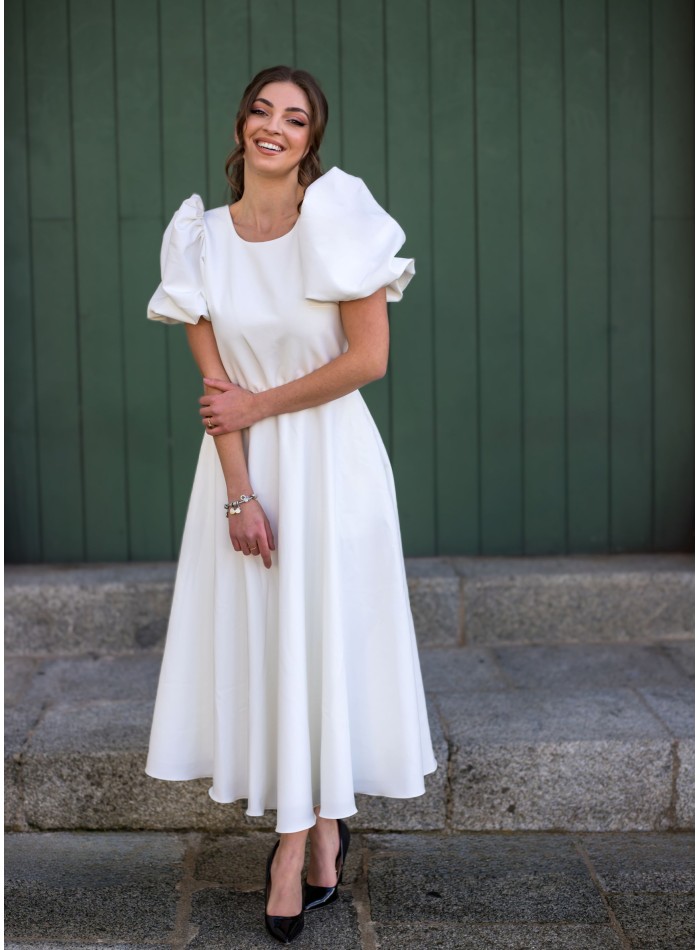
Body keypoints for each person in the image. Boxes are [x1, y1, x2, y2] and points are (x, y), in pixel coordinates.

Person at [145, 64, 437, 944]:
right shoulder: (199, 237)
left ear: (313, 138)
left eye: (296, 117)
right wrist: (240, 493)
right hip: (242, 470)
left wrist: (258, 408)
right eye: (263, 111)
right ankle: (318, 835)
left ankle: (293, 846)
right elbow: (216, 388)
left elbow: (368, 360)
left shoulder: (336, 215)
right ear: (242, 127)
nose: (275, 126)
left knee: (322, 645)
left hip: (333, 462)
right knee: (273, 650)